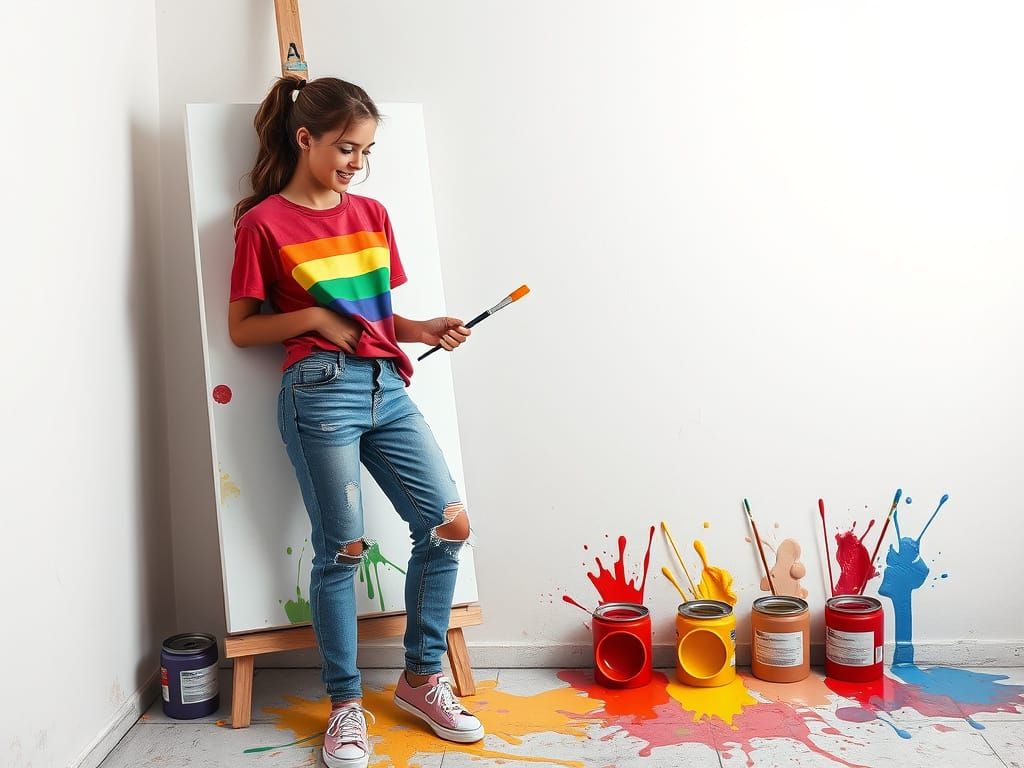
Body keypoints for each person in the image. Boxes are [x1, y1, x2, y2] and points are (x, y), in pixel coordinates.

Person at [228, 76, 484, 768]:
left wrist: (421, 325)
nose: (355, 163)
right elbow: (242, 329)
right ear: (304, 137)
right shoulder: (262, 223)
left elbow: (375, 317)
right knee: (342, 548)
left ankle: (420, 679)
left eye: (365, 151)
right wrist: (314, 316)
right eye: (346, 147)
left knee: (447, 522)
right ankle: (345, 705)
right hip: (318, 393)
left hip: (388, 385)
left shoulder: (370, 213)